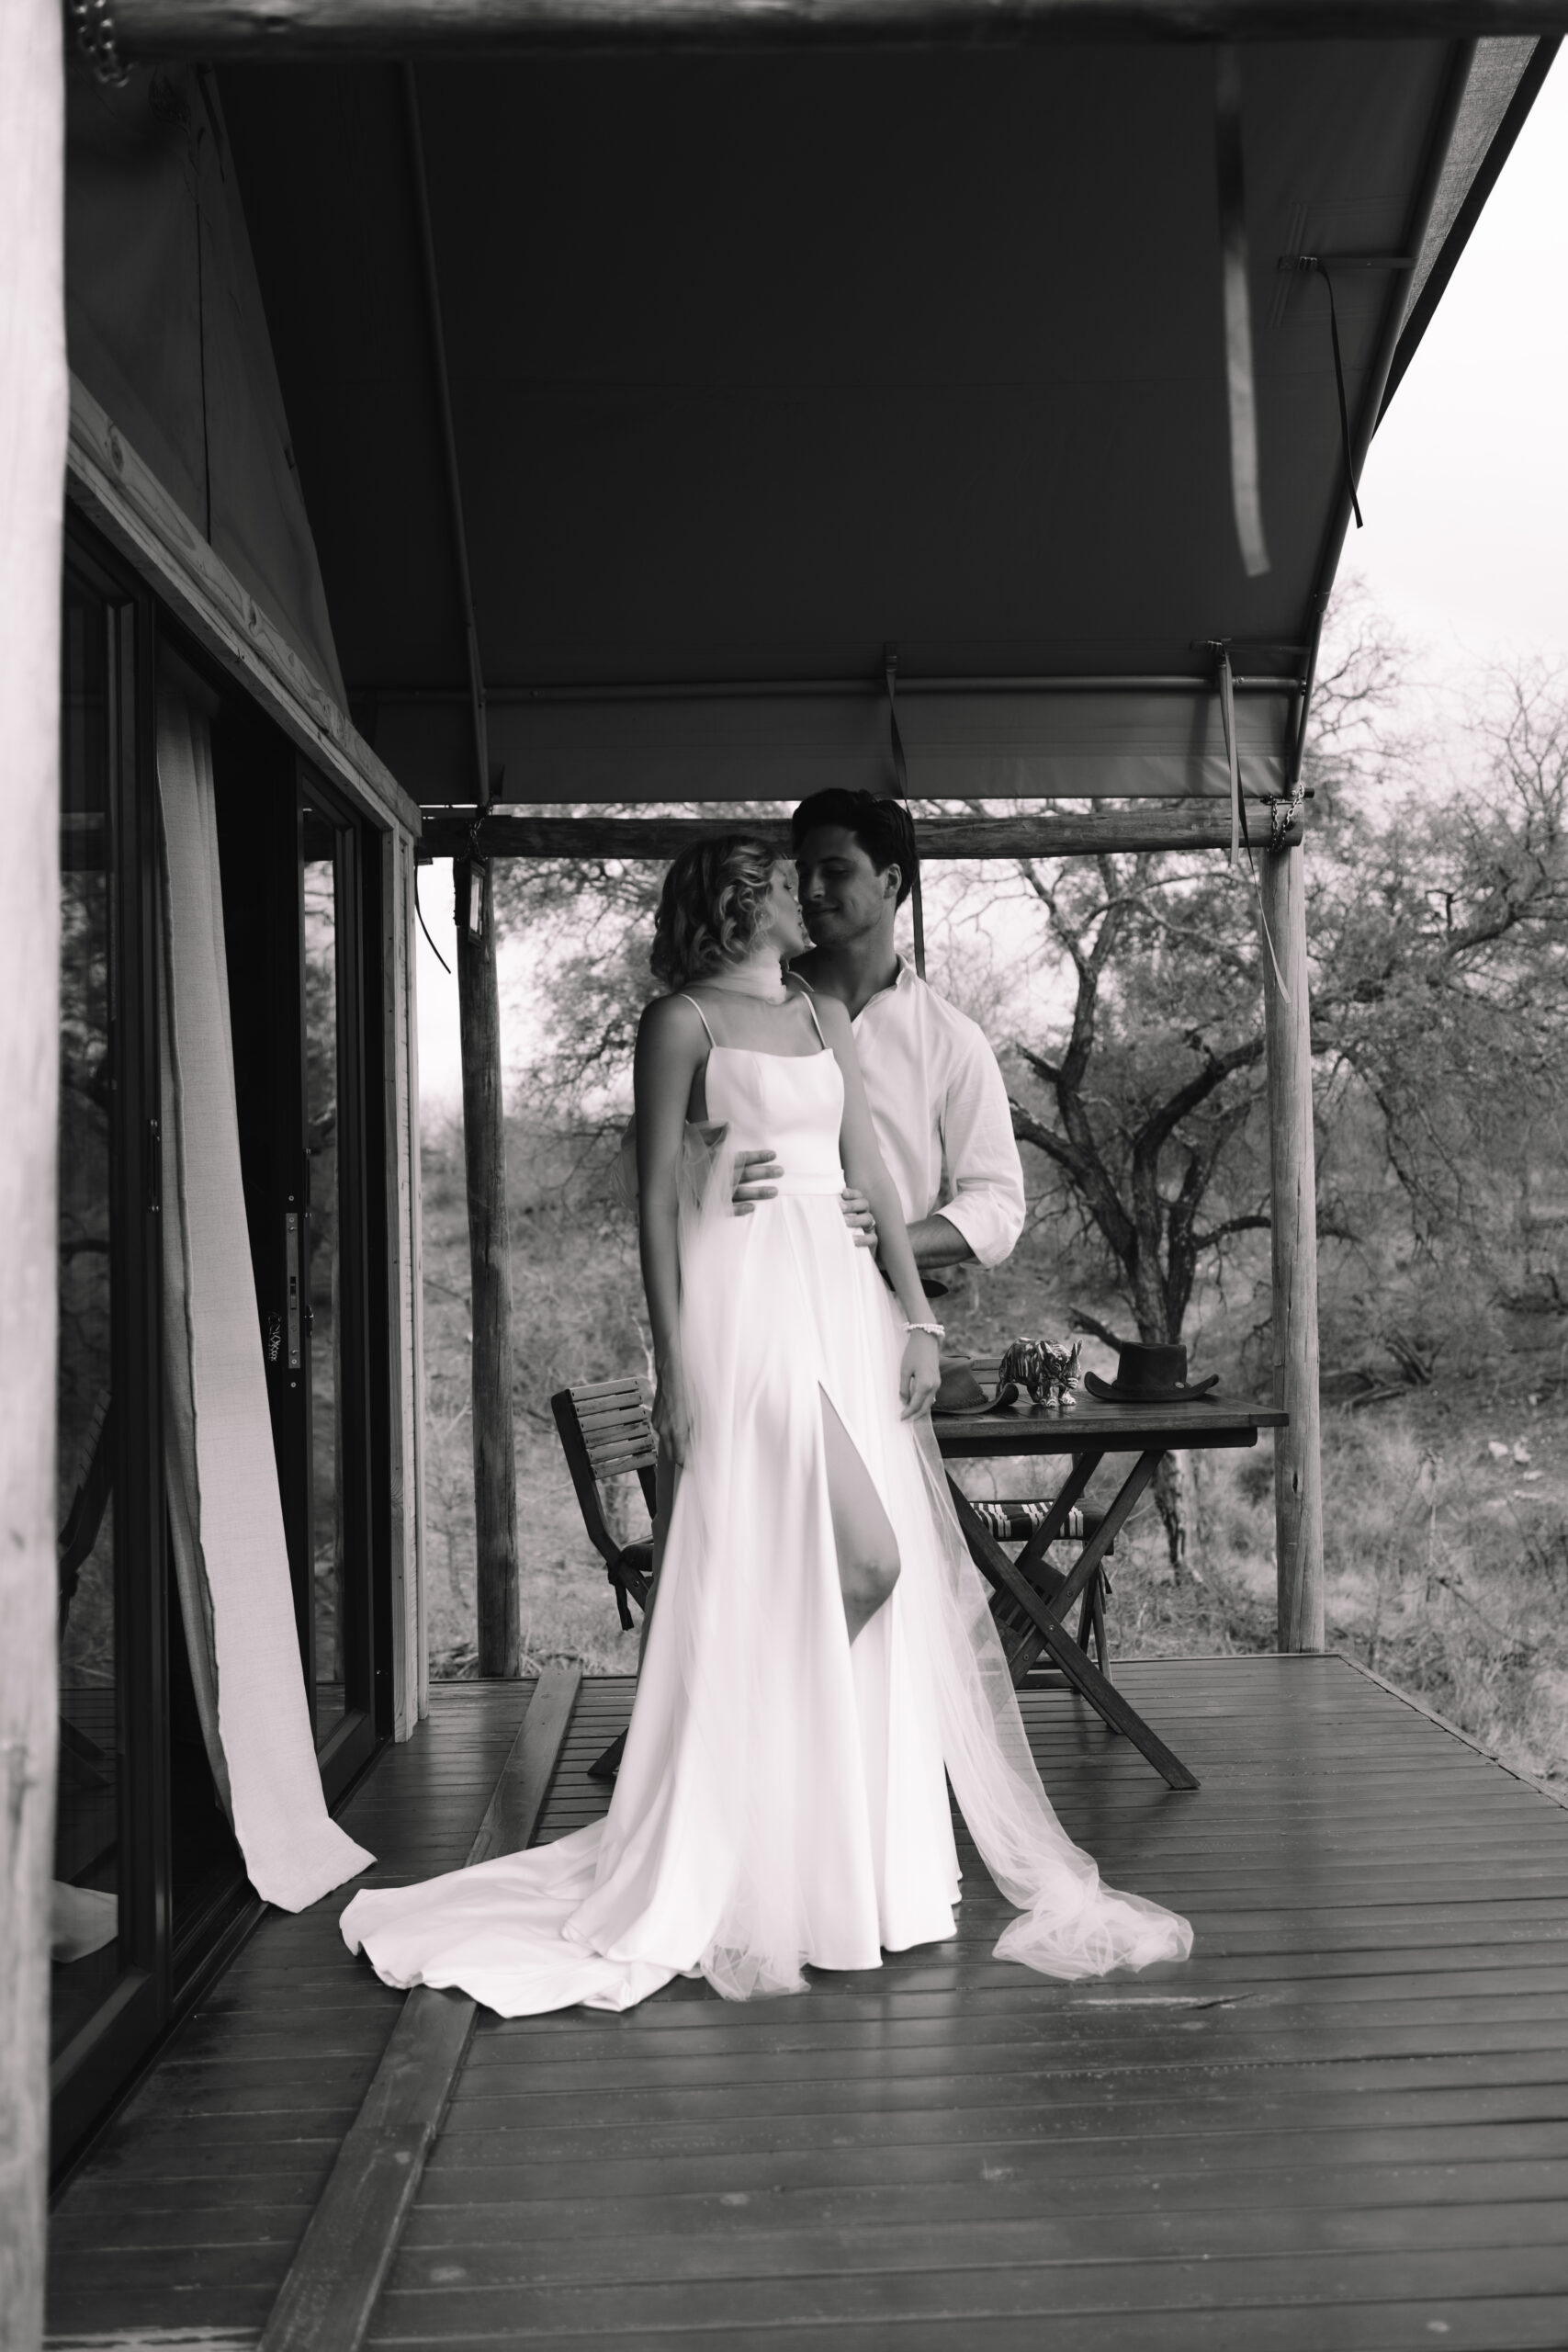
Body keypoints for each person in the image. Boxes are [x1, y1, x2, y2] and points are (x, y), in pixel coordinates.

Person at [340, 837, 1190, 2014]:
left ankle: (789, 1811)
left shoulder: (817, 1012)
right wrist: (679, 1356)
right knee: (869, 1559)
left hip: (839, 1304)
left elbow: (874, 1184)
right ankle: (739, 1791)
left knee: (858, 1563)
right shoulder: (678, 1021)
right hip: (744, 1311)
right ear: (745, 901)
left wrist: (916, 1320)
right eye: (791, 884)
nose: (811, 899)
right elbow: (650, 1198)